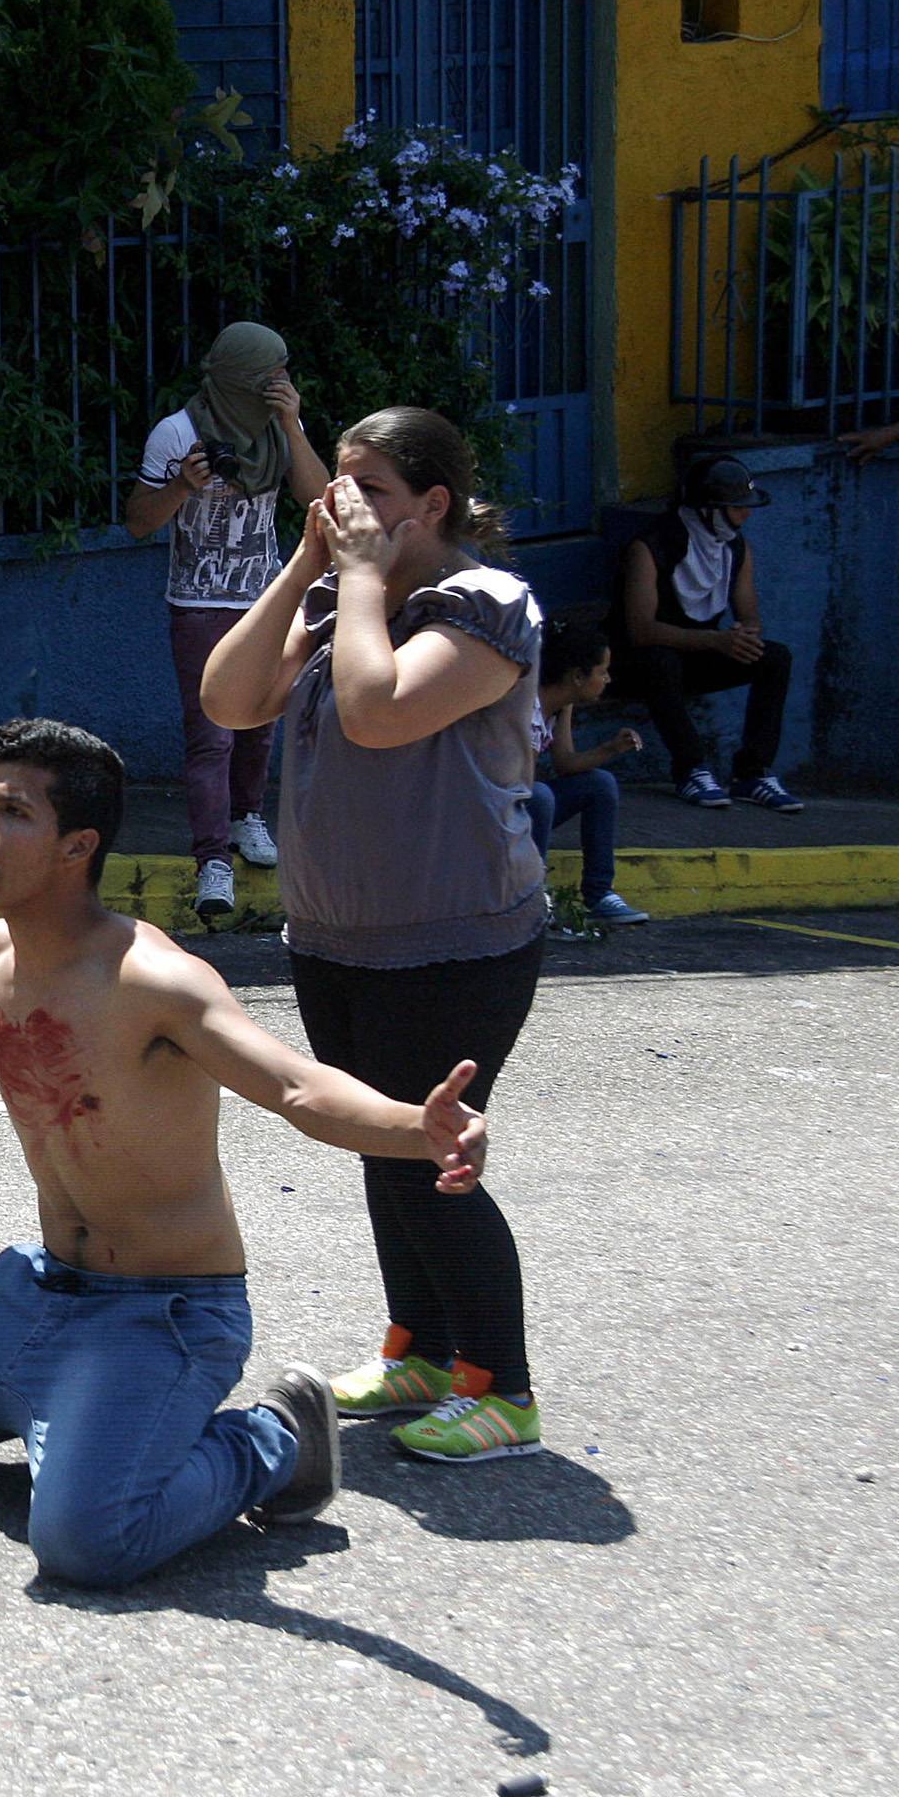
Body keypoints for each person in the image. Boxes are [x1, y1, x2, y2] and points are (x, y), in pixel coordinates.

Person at [0, 719, 491, 1587]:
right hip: (40, 1292)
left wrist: (411, 1128)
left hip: (163, 1313)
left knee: (88, 1545)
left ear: (75, 847)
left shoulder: (154, 982)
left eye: (11, 812)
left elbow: (297, 1088)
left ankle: (270, 1439)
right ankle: (64, 1413)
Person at [200, 406, 550, 1465]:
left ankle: (505, 1387)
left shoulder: (485, 606)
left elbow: (377, 710)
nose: (344, 507)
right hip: (339, 931)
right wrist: (311, 562)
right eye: (337, 489)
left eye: (370, 493)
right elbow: (228, 697)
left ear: (432, 504)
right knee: (376, 1141)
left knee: (430, 1152)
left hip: (457, 936)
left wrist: (354, 580)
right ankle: (424, 1351)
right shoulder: (333, 591)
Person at [123, 321, 330, 924]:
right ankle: (211, 859)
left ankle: (248, 819)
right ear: (240, 374)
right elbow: (138, 520)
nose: (280, 382)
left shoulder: (274, 429)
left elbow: (317, 498)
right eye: (270, 372)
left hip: (264, 599)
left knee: (261, 722)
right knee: (210, 732)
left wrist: (292, 423)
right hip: (198, 602)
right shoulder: (178, 433)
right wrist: (184, 486)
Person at [610, 452, 803, 813]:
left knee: (774, 657)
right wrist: (715, 641)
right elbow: (641, 630)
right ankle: (691, 768)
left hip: (697, 657)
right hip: (639, 665)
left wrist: (744, 637)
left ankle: (753, 772)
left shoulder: (737, 548)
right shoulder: (649, 547)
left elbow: (749, 617)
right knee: (659, 660)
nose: (745, 515)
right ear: (707, 509)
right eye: (735, 506)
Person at [527, 617, 650, 933]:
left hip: (522, 800)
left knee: (599, 784)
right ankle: (529, 897)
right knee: (539, 795)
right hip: (489, 810)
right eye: (602, 671)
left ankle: (600, 894)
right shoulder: (525, 705)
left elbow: (565, 763)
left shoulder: (561, 704)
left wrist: (610, 749)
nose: (608, 678)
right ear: (578, 676)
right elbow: (517, 785)